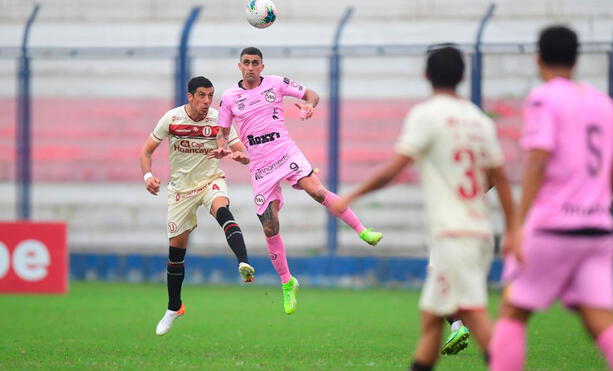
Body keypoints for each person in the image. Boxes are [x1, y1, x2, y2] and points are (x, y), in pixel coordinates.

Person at [334, 45, 515, 370]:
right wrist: (513, 228)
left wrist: (352, 196)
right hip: (478, 230)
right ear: (462, 76)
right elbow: (500, 178)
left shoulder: (427, 115)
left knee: (471, 313)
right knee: (432, 321)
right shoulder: (479, 120)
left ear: (426, 75)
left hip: (452, 233)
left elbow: (395, 167)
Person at [489, 26, 613, 371]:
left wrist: (518, 223)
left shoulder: (544, 97)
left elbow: (537, 159)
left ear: (538, 58)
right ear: (576, 59)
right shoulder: (604, 103)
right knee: (600, 319)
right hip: (598, 229)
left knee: (513, 311)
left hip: (553, 226)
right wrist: (596, 199)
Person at [216, 47, 384, 315]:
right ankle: (287, 283)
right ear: (239, 66)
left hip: (284, 151)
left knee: (317, 191)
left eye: (255, 63)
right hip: (259, 164)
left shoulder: (276, 83)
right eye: (246, 63)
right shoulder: (229, 98)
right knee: (270, 228)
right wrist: (226, 148)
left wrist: (309, 105)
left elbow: (311, 94)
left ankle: (362, 230)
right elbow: (222, 133)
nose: (250, 67)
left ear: (262, 66)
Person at [140, 76, 255, 336]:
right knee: (176, 250)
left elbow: (243, 152)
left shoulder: (219, 120)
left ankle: (244, 264)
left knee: (222, 210)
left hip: (210, 181)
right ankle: (174, 307)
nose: (206, 102)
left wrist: (238, 155)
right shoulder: (171, 119)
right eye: (201, 95)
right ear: (190, 96)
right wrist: (148, 176)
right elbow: (146, 151)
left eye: (210, 96)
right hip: (181, 190)